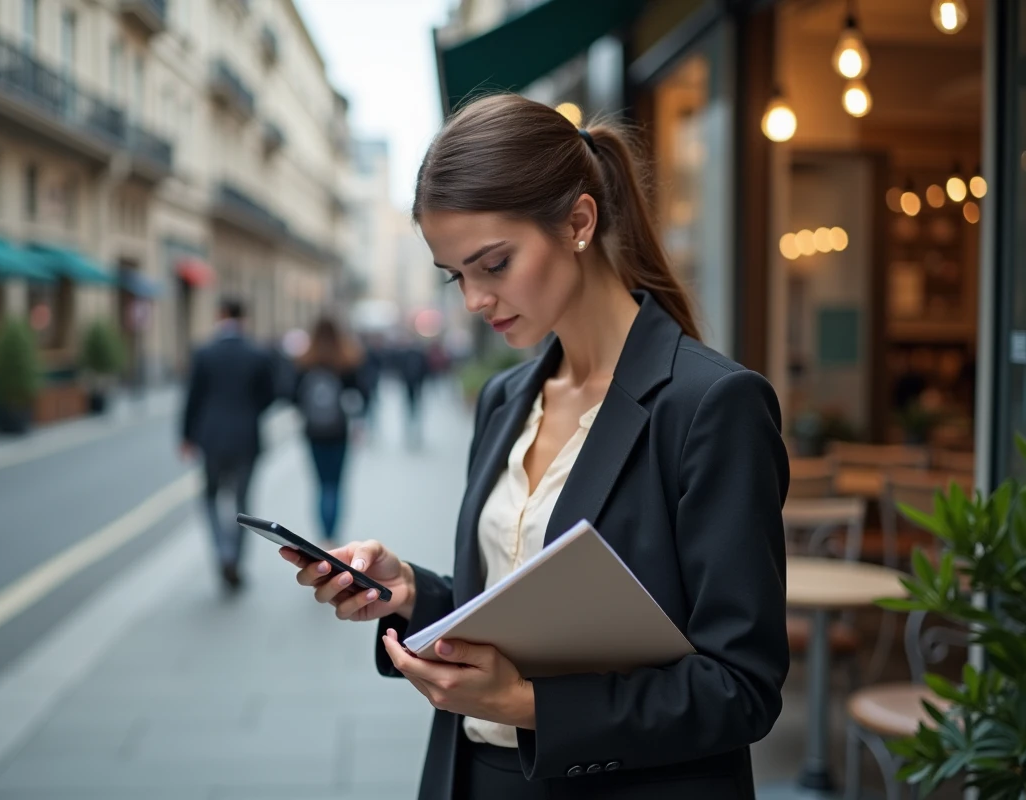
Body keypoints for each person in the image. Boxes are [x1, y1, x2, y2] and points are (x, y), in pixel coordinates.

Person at [280, 94, 789, 799]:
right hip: (479, 778)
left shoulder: (710, 405)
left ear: (579, 222)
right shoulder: (505, 398)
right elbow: (528, 611)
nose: (474, 300)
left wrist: (527, 705)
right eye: (456, 275)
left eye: (494, 263)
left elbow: (742, 688)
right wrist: (411, 595)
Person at [181, 297, 275, 592]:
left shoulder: (205, 352)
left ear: (220, 315)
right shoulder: (258, 354)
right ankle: (235, 557)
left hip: (211, 438)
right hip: (247, 437)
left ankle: (222, 550)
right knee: (243, 504)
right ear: (243, 318)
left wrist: (186, 436)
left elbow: (192, 398)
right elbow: (270, 395)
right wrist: (248, 413)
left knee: (210, 498)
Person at [293, 317, 366, 542]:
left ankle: (323, 535)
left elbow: (294, 396)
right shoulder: (346, 359)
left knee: (321, 484)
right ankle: (332, 535)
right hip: (338, 431)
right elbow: (360, 395)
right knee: (336, 484)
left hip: (313, 431)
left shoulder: (305, 361)